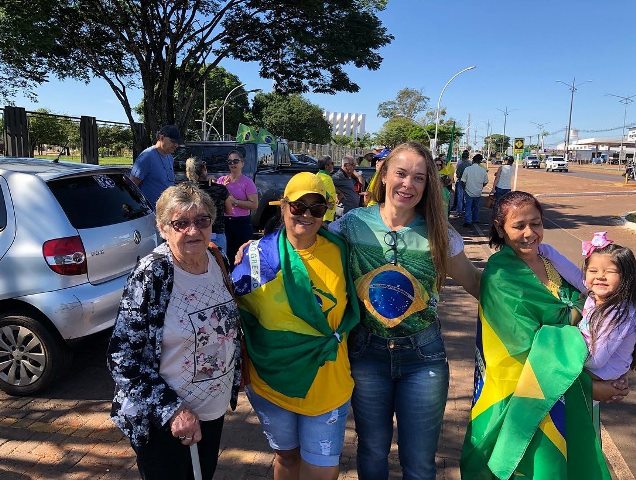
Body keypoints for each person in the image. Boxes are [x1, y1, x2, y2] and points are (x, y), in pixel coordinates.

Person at [329, 141, 481, 480]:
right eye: (400, 174)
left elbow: (476, 284)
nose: (407, 184)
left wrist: (534, 278)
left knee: (419, 462)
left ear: (427, 185)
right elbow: (306, 251)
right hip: (367, 354)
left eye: (419, 178)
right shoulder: (352, 225)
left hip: (423, 358)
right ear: (384, 176)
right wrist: (260, 249)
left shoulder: (440, 233)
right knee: (370, 451)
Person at [461, 191, 629, 480]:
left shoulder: (550, 259)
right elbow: (527, 347)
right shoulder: (501, 275)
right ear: (501, 229)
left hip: (571, 382)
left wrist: (617, 361)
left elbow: (594, 299)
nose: (530, 233)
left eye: (536, 224)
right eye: (519, 226)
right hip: (531, 392)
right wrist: (588, 387)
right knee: (540, 468)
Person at [108, 183, 241, 480]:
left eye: (202, 220)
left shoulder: (217, 260)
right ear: (163, 227)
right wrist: (172, 410)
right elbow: (122, 359)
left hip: (212, 410)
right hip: (165, 419)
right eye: (180, 223)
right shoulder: (153, 274)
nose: (193, 231)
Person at [231, 172, 359, 480]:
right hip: (272, 380)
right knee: (287, 457)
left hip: (327, 378)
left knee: (321, 468)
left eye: (317, 209)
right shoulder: (258, 256)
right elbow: (234, 312)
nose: (306, 215)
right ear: (283, 206)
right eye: (298, 206)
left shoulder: (342, 250)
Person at [578, 232, 636, 380]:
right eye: (593, 271)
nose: (600, 276)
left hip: (602, 371)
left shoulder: (617, 312)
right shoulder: (596, 294)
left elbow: (596, 361)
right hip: (593, 362)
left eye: (610, 272)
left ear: (625, 277)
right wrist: (545, 251)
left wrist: (563, 349)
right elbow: (572, 272)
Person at [217, 150, 258, 263]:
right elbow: (215, 201)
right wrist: (222, 189)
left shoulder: (247, 183)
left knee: (242, 255)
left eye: (235, 161)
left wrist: (235, 201)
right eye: (230, 162)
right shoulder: (221, 181)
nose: (232, 164)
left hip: (242, 223)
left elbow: (254, 205)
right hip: (225, 222)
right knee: (225, 255)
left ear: (242, 163)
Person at [185, 157, 232, 254]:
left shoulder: (185, 190)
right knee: (220, 265)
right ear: (204, 169)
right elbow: (229, 211)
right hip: (216, 233)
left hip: (193, 234)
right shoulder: (220, 189)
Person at [130, 124, 181, 208]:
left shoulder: (170, 157)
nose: (176, 145)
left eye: (177, 142)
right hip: (150, 214)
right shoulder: (147, 156)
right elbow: (132, 186)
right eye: (172, 141)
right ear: (161, 137)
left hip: (167, 211)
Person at [460, 153, 488, 227]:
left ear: (473, 161)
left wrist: (464, 188)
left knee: (468, 206)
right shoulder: (483, 170)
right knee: (476, 206)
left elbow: (462, 181)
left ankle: (468, 221)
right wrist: (481, 187)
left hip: (468, 191)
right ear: (480, 161)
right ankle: (475, 219)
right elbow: (485, 182)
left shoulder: (467, 169)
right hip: (478, 192)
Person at [316, 155, 338, 223]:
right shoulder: (327, 179)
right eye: (332, 163)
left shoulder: (317, 175)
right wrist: (326, 204)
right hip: (327, 215)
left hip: (320, 213)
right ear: (326, 166)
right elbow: (323, 194)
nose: (333, 165)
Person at [452, 149, 470, 215]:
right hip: (469, 182)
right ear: (468, 157)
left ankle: (459, 211)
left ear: (462, 157)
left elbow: (458, 174)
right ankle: (466, 210)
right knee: (467, 197)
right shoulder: (470, 164)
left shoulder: (461, 164)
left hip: (461, 181)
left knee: (460, 196)